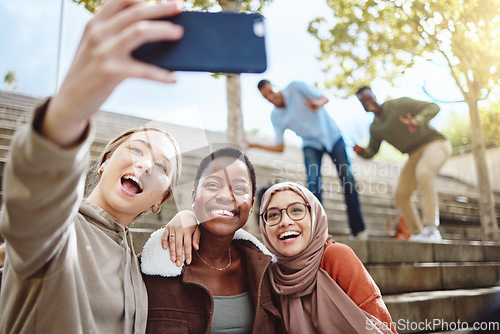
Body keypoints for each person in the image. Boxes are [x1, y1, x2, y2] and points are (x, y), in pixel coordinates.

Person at [0, 0, 185, 332]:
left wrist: (192, 217)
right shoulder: (58, 229)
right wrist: (67, 114)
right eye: (137, 149)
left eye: (161, 166)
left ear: (161, 200)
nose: (144, 165)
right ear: (104, 162)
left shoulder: (138, 261)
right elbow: (35, 202)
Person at [140, 147, 285, 333]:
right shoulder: (151, 271)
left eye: (240, 189)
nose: (225, 196)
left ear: (251, 206)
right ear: (193, 197)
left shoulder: (267, 271)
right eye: (213, 185)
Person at [259, 182, 397, 334]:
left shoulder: (337, 257)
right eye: (273, 215)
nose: (285, 222)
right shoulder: (271, 276)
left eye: (297, 210)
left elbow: (381, 326)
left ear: (314, 216)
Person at [248, 79, 368, 239]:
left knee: (348, 179)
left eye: (270, 92)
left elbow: (325, 97)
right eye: (265, 96)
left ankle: (358, 230)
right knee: (313, 183)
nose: (270, 97)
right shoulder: (276, 116)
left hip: (332, 137)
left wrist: (318, 103)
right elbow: (280, 147)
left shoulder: (295, 88)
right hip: (311, 143)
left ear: (276, 87)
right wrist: (255, 144)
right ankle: (319, 232)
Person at [355, 86, 451, 241]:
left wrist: (418, 120)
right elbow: (372, 151)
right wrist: (361, 152)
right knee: (400, 195)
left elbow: (433, 107)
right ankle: (418, 233)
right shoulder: (375, 128)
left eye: (369, 98)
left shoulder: (398, 104)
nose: (367, 102)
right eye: (363, 101)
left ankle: (431, 229)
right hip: (413, 154)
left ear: (375, 96)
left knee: (424, 173)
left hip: (435, 143)